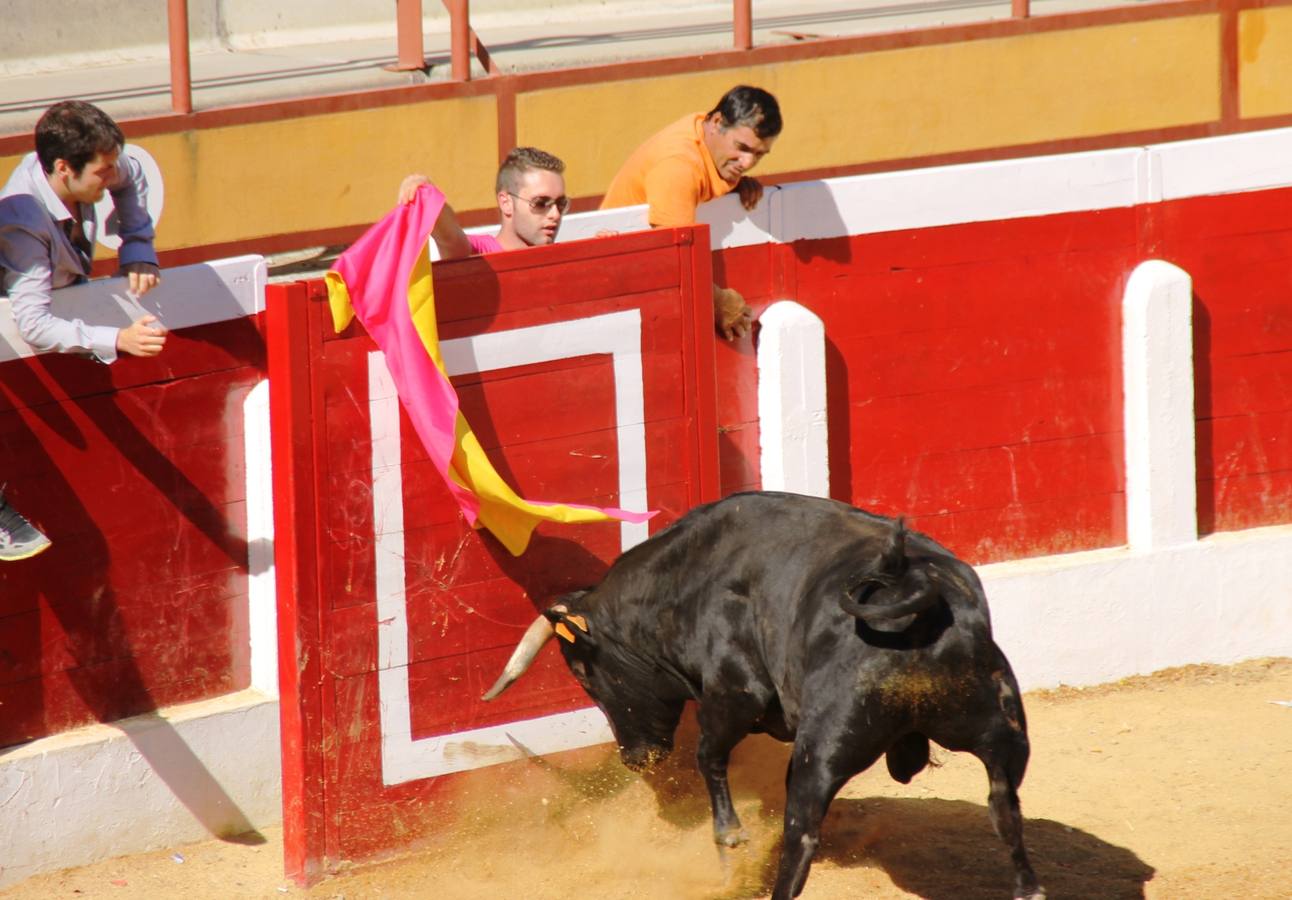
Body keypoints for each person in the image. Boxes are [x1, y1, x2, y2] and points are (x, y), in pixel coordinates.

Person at [0, 100, 167, 559]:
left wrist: (138, 244)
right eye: (100, 171)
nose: (110, 177)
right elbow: (32, 323)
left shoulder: (93, 163)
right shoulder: (21, 222)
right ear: (62, 168)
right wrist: (118, 338)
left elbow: (129, 174)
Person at [600, 85, 783, 340]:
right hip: (615, 285)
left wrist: (738, 184)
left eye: (759, 154)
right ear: (717, 122)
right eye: (742, 147)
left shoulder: (704, 130)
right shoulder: (679, 166)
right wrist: (717, 301)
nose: (747, 163)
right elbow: (672, 258)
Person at [396, 146, 569, 259]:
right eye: (540, 203)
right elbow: (450, 238)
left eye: (560, 204)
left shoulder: (564, 259)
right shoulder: (479, 254)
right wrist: (427, 194)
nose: (555, 215)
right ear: (506, 202)